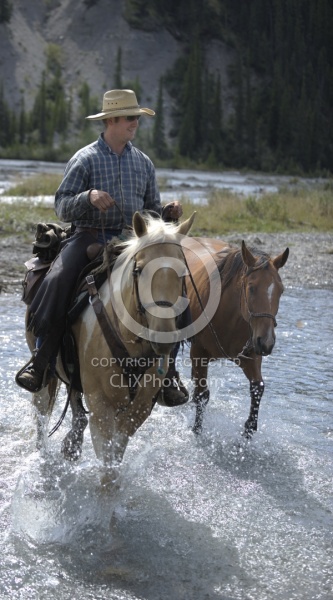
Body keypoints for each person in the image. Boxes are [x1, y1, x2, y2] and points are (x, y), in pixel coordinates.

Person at [15, 89, 187, 406]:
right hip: (87, 238)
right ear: (112, 120)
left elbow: (149, 211)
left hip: (131, 241)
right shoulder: (85, 159)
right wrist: (89, 197)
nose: (135, 123)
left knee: (172, 288)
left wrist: (165, 215)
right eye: (130, 118)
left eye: (137, 117)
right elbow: (62, 206)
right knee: (56, 282)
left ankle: (168, 373)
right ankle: (41, 361)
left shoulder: (144, 164)